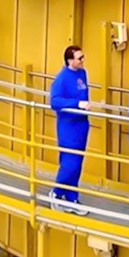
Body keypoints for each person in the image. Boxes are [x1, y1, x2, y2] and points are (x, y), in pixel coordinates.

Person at [48, 45, 93, 216]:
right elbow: (55, 101)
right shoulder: (62, 78)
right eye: (79, 58)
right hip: (68, 127)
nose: (83, 60)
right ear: (70, 60)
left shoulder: (82, 73)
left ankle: (71, 196)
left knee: (77, 163)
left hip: (81, 124)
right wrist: (76, 104)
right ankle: (57, 193)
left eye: (83, 57)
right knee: (69, 162)